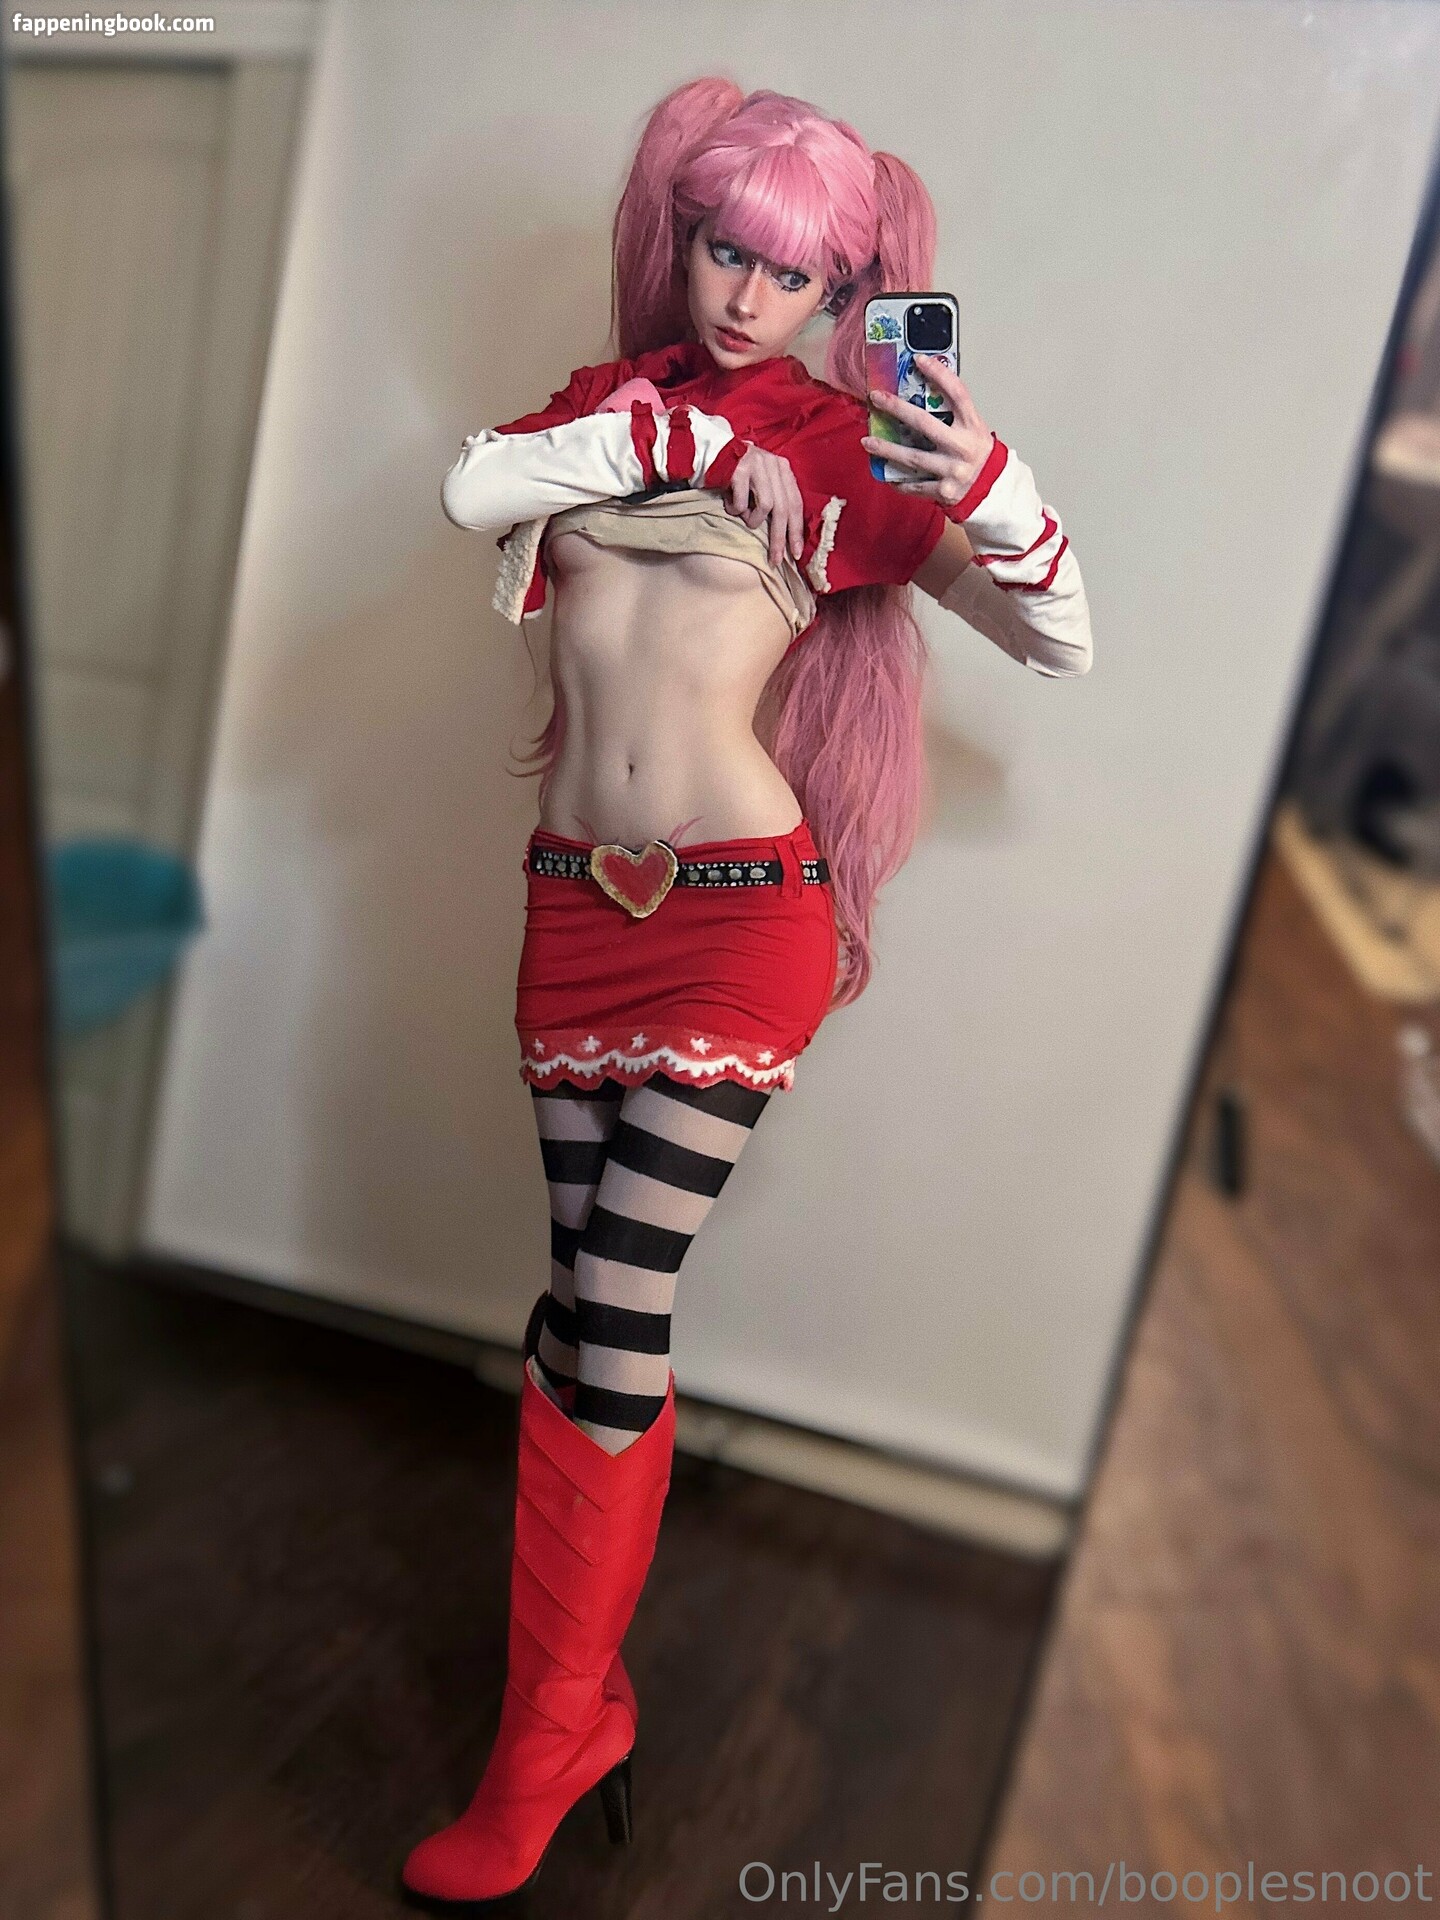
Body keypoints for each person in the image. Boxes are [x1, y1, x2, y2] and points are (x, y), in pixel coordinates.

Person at [401, 77, 1091, 1911]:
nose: (747, 298)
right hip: (574, 905)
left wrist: (986, 480)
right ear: (683, 238)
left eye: (795, 275)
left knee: (617, 1304)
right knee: (579, 1308)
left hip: (736, 919)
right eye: (726, 251)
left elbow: (1060, 637)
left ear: (845, 294)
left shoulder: (851, 447)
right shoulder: (596, 414)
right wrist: (692, 456)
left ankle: (540, 1745)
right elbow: (472, 487)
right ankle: (582, 1708)